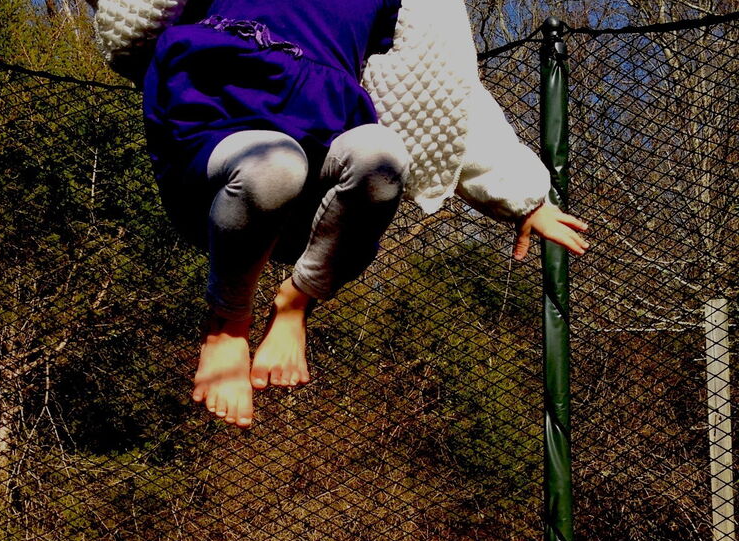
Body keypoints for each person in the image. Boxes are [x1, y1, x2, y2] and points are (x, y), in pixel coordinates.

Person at [91, 0, 589, 428]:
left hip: (320, 142)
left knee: (382, 155)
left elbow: (446, 90)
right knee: (273, 166)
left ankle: (295, 304)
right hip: (218, 135)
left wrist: (527, 199)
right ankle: (227, 322)